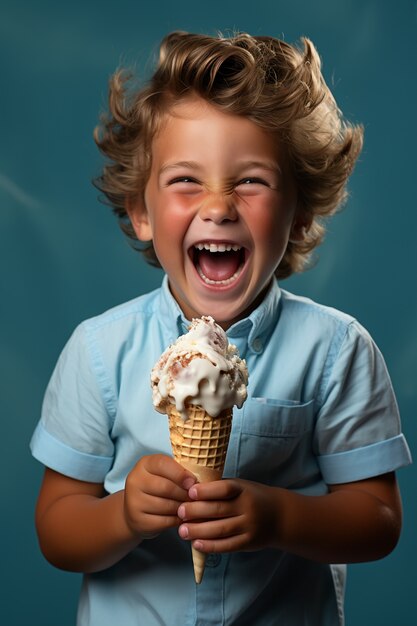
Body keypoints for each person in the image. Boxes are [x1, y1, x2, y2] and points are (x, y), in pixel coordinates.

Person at [30, 31, 412, 626]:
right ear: (140, 210)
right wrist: (123, 514)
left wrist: (280, 517)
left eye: (252, 181)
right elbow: (57, 530)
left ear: (301, 209)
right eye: (186, 180)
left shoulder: (337, 350)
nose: (219, 205)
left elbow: (378, 521)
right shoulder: (99, 350)